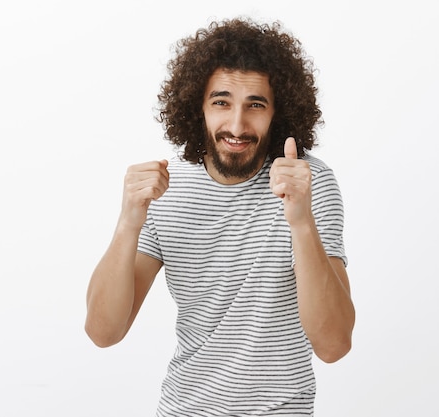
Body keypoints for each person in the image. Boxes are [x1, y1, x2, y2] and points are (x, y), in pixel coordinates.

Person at [85, 17, 355, 416]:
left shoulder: (307, 183)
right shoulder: (165, 189)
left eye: (256, 105)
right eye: (221, 102)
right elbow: (103, 332)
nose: (236, 125)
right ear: (198, 107)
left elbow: (333, 346)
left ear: (278, 113)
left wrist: (300, 221)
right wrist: (128, 222)